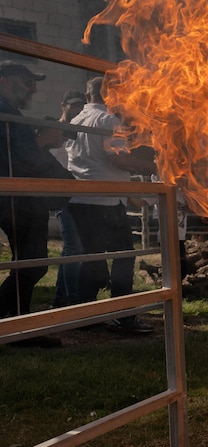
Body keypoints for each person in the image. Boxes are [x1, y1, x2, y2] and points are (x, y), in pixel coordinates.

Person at [65, 76, 157, 335]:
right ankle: (123, 316)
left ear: (88, 96)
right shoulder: (108, 120)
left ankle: (85, 314)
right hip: (104, 200)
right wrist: (154, 166)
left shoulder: (75, 120)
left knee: (92, 258)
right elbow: (120, 161)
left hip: (80, 199)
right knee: (124, 256)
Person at [0, 61, 75, 346]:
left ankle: (22, 329)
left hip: (22, 198)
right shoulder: (4, 111)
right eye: (27, 82)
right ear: (5, 80)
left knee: (27, 265)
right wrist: (42, 141)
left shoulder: (10, 112)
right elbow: (16, 160)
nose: (33, 88)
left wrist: (40, 140)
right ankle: (18, 327)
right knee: (33, 266)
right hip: (18, 198)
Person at [50, 91, 87, 308]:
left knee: (70, 249)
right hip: (63, 196)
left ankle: (60, 299)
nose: (77, 110)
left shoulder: (78, 133)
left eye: (80, 106)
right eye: (73, 106)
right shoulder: (54, 131)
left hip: (76, 194)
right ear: (62, 105)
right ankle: (73, 300)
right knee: (74, 248)